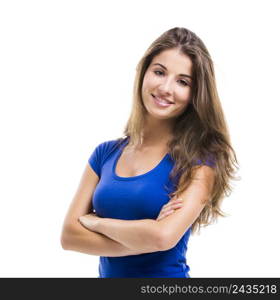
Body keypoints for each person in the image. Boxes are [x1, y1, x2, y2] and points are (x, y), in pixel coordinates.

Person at [60, 27, 239, 278]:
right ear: (143, 74)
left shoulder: (200, 162)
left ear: (195, 94)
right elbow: (69, 236)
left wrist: (97, 222)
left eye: (183, 81)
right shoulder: (104, 154)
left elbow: (163, 237)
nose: (166, 87)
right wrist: (145, 234)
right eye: (159, 72)